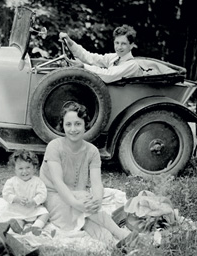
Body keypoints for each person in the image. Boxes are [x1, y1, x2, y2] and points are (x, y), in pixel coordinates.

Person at [39, 101, 132, 243]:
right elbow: (57, 183)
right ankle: (117, 237)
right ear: (62, 126)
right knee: (83, 216)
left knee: (87, 207)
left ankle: (119, 240)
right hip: (54, 195)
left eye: (77, 124)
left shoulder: (92, 151)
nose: (73, 129)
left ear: (85, 125)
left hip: (78, 194)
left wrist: (97, 201)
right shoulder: (54, 147)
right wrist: (76, 204)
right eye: (68, 124)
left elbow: (96, 183)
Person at [59, 25, 143, 83]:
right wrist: (70, 43)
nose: (119, 47)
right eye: (117, 43)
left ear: (131, 45)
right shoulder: (114, 57)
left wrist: (83, 66)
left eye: (123, 44)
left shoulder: (132, 65)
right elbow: (90, 58)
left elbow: (108, 75)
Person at [2, 150, 52, 236]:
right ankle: (19, 228)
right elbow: (6, 194)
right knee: (17, 219)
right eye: (20, 168)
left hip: (33, 209)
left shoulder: (37, 182)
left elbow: (42, 194)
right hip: (18, 209)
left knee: (45, 214)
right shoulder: (11, 182)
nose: (24, 171)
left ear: (34, 168)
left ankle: (36, 226)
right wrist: (16, 199)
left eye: (28, 167)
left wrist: (34, 201)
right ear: (15, 169)